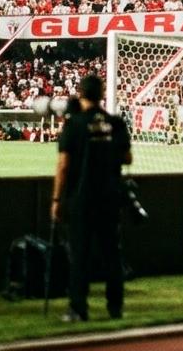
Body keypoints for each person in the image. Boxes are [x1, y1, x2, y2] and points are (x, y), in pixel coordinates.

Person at [51, 75, 132, 322]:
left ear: (80, 94)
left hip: (81, 199)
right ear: (102, 94)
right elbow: (127, 158)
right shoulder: (115, 123)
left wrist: (56, 200)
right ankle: (115, 307)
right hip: (109, 197)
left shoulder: (74, 124)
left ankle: (78, 307)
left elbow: (63, 165)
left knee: (80, 255)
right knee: (112, 254)